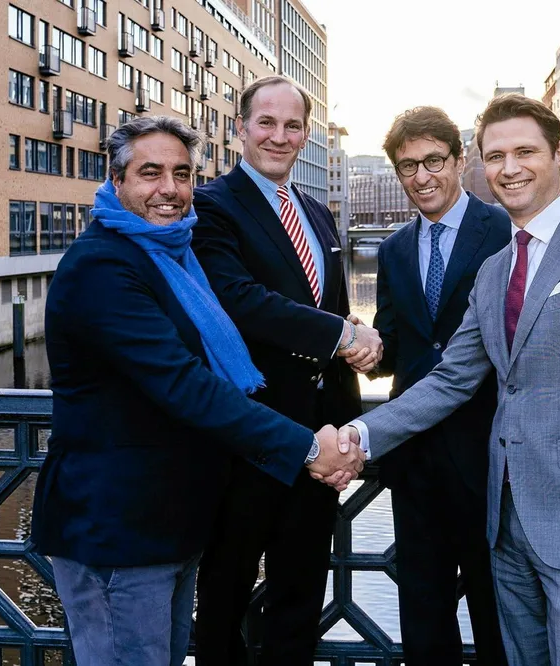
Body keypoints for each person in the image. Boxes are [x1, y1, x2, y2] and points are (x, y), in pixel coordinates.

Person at [332, 93, 560, 665]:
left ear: (559, 153)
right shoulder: (496, 270)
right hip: (505, 524)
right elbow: (451, 378)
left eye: (525, 152)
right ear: (482, 164)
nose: (509, 168)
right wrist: (357, 436)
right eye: (496, 156)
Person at [30, 116, 362, 666]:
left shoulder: (170, 254)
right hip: (119, 529)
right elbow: (183, 383)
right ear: (117, 180)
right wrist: (307, 447)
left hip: (171, 524)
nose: (169, 189)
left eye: (182, 174)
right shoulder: (102, 265)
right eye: (151, 173)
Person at [191, 76, 380, 665]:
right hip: (249, 438)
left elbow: (329, 306)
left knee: (300, 595)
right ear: (240, 128)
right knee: (224, 593)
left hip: (322, 439)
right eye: (266, 123)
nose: (279, 136)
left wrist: (355, 345)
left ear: (306, 134)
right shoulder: (211, 206)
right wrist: (343, 335)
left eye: (292, 125)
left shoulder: (317, 213)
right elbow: (237, 299)